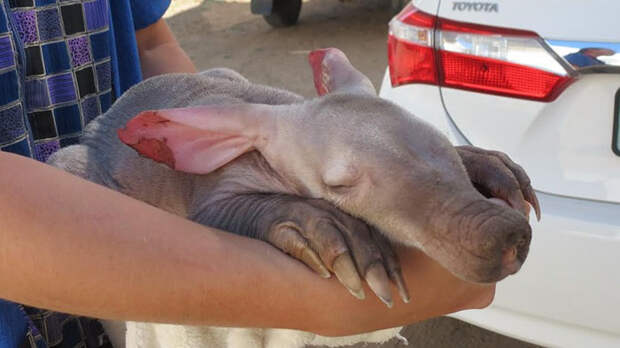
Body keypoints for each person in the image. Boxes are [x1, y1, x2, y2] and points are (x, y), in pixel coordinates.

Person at [0, 1, 495, 347]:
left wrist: (318, 139)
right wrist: (311, 300)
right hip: (89, 254)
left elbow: (151, 44)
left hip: (177, 145)